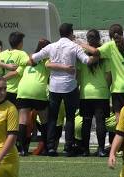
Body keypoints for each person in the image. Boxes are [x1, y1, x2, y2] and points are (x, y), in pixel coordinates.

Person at [28, 23, 99, 157]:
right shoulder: (74, 46)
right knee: (70, 118)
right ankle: (68, 147)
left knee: (53, 118)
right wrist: (97, 56)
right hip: (70, 86)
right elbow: (87, 61)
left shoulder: (52, 46)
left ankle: (50, 147)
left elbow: (33, 58)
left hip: (54, 86)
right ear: (71, 33)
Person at [80, 24, 124, 123]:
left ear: (110, 35)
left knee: (119, 118)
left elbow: (95, 51)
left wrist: (81, 44)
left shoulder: (111, 45)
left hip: (119, 88)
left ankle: (120, 137)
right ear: (122, 33)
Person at [77, 29, 111, 157]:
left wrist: (81, 88)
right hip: (101, 94)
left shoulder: (82, 56)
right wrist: (105, 88)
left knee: (86, 122)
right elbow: (108, 76)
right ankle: (101, 149)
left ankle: (85, 150)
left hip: (85, 94)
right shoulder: (105, 56)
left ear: (87, 40)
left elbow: (78, 76)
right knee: (100, 122)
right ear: (99, 39)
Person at [16, 38, 51, 156]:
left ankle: (22, 149)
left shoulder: (28, 59)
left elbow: (17, 72)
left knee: (22, 121)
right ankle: (46, 148)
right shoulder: (47, 59)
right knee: (44, 120)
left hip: (23, 90)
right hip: (38, 90)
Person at [0, 32, 29, 107]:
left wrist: (1, 77)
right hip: (14, 90)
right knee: (13, 115)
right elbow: (16, 72)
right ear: (20, 43)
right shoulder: (22, 54)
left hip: (1, 89)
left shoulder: (2, 54)